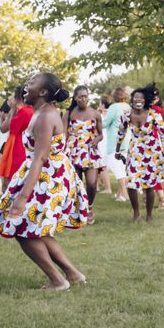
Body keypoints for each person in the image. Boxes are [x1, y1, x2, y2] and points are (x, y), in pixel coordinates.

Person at [0, 72, 88, 291]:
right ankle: (73, 273)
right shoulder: (41, 112)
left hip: (47, 179)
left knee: (21, 226)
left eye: (32, 83)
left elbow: (40, 157)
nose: (26, 85)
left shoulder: (45, 117)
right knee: (36, 230)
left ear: (42, 92)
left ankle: (58, 280)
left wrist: (22, 198)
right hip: (46, 175)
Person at [115, 86, 164, 222]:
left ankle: (149, 215)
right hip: (135, 150)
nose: (138, 100)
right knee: (131, 182)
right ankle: (136, 213)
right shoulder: (126, 115)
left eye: (141, 98)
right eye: (135, 97)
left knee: (149, 184)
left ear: (145, 100)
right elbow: (121, 133)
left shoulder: (154, 115)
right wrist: (117, 150)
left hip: (151, 150)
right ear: (132, 100)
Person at [62, 85, 104, 225]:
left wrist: (95, 140)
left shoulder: (95, 113)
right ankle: (78, 210)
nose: (83, 98)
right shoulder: (68, 113)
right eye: (80, 96)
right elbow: (63, 134)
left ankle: (89, 206)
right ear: (75, 98)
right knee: (76, 183)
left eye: (85, 96)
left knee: (92, 183)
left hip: (89, 151)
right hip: (73, 151)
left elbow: (101, 135)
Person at [0, 86, 34, 191]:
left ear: (18, 98)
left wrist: (12, 110)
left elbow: (5, 129)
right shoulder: (32, 110)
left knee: (13, 178)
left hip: (17, 147)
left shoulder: (22, 112)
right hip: (25, 146)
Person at [102, 87, 131, 202]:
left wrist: (96, 120)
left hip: (115, 141)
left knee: (117, 168)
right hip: (127, 140)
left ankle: (125, 195)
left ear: (114, 97)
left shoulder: (114, 107)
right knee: (122, 168)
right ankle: (120, 194)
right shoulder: (128, 107)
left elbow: (105, 123)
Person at [96, 95, 112, 195]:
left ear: (102, 104)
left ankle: (108, 188)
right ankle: (96, 185)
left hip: (102, 142)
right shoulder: (111, 114)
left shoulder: (100, 115)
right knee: (98, 165)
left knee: (102, 166)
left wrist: (97, 111)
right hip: (108, 141)